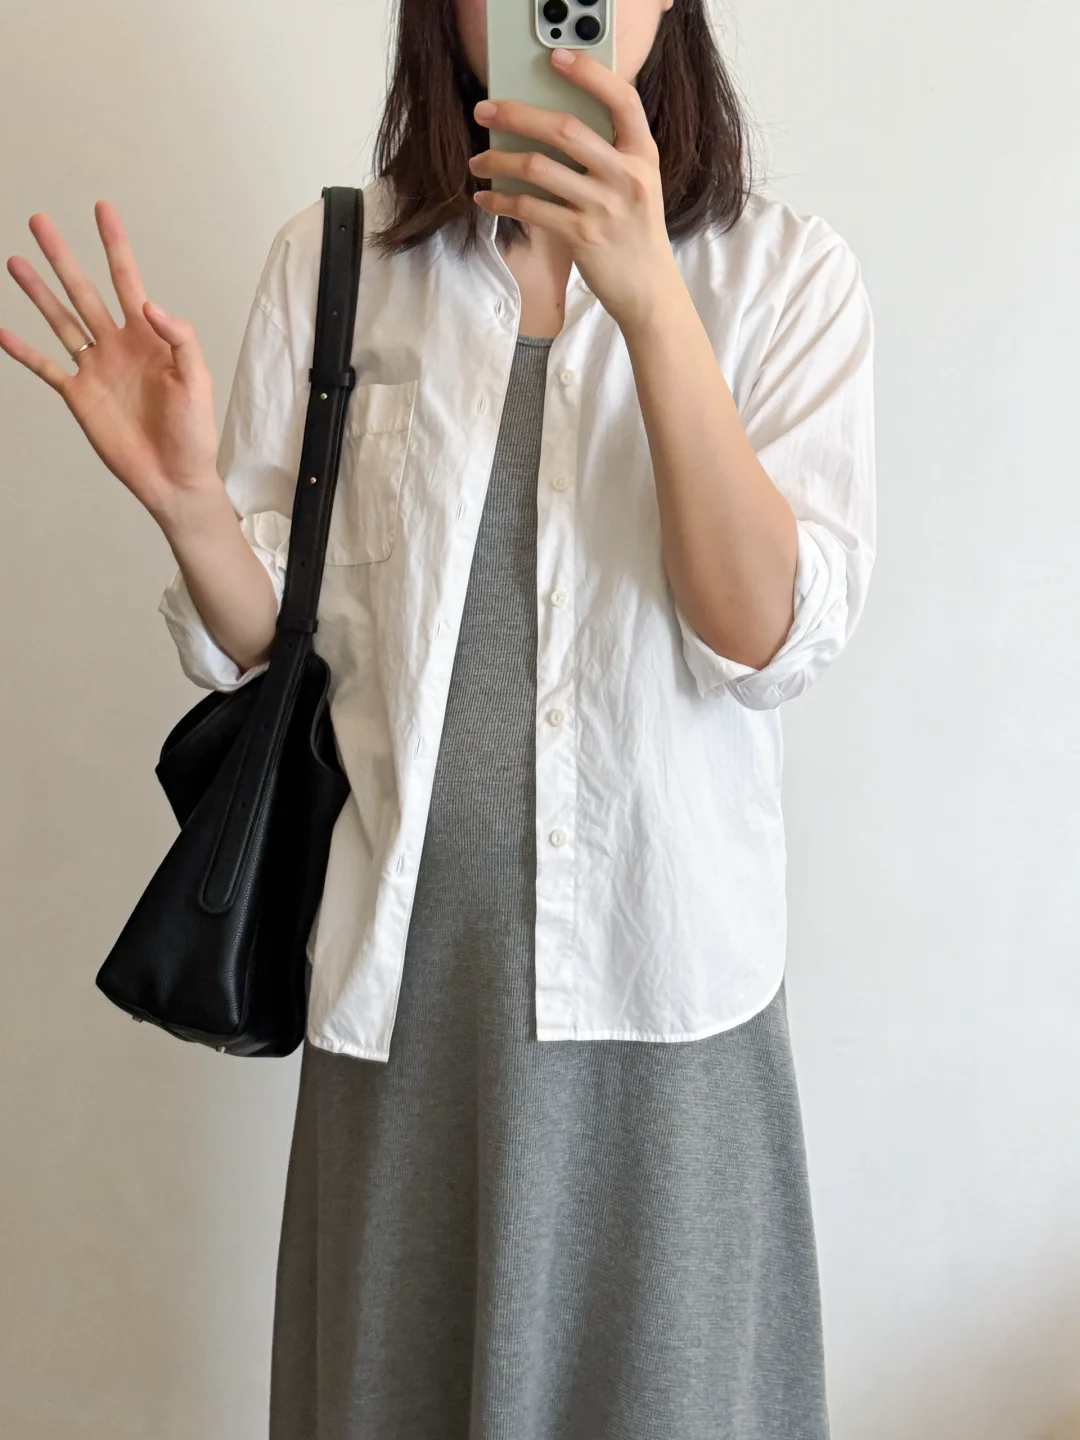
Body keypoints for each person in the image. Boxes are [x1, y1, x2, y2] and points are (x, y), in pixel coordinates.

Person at [0, 0, 875, 1431]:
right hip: (405, 1021)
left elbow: (765, 632)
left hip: (666, 1023)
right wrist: (190, 507)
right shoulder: (339, 264)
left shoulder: (786, 278)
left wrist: (650, 300)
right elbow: (280, 644)